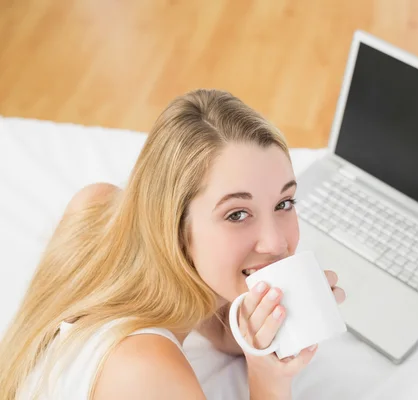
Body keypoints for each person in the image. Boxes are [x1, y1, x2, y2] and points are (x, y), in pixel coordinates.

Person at [0, 89, 346, 399]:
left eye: (284, 203)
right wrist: (269, 379)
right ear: (174, 226)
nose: (276, 242)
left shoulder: (97, 206)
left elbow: (219, 328)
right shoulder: (146, 370)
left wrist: (261, 333)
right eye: (237, 214)